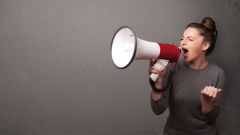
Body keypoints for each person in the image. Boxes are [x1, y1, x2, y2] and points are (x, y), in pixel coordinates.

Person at [148, 17, 225, 135]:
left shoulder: (217, 73)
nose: (183, 42)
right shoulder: (172, 65)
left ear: (205, 45)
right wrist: (157, 82)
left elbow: (211, 118)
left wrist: (206, 102)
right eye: (182, 38)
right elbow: (158, 109)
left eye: (190, 39)